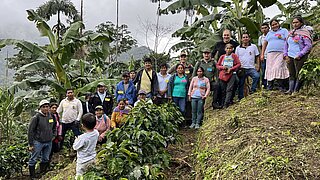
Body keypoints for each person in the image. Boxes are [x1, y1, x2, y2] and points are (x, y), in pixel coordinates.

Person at [284, 16, 312, 94]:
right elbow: (286, 44)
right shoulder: (291, 33)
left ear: (301, 23)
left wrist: (300, 54)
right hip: (290, 56)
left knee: (299, 73)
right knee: (291, 73)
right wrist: (285, 54)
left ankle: (296, 90)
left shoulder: (304, 33)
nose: (295, 24)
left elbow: (308, 46)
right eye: (293, 23)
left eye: (297, 22)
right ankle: (290, 90)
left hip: (300, 56)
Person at [28, 100, 56, 179]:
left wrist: (53, 135)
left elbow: (54, 127)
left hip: (49, 141)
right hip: (38, 142)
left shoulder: (51, 116)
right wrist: (31, 144)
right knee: (33, 159)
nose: (46, 108)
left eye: (47, 106)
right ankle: (32, 176)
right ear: (40, 108)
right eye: (43, 107)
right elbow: (30, 131)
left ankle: (42, 173)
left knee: (45, 158)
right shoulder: (36, 117)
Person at [261, 19, 289, 91]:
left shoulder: (284, 31)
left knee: (278, 67)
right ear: (271, 26)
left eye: (276, 24)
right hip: (270, 53)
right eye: (272, 25)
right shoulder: (269, 33)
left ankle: (281, 86)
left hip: (281, 52)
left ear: (278, 24)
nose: (274, 26)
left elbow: (288, 39)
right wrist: (262, 54)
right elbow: (265, 43)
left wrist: (281, 37)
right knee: (270, 68)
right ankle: (270, 86)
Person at [73, 113, 99, 177]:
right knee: (91, 175)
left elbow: (75, 147)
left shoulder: (82, 138)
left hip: (83, 161)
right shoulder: (96, 133)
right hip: (92, 158)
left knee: (79, 176)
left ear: (83, 125)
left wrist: (76, 139)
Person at [235, 33, 260, 100]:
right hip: (242, 68)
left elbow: (257, 56)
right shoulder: (238, 48)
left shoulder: (253, 46)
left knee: (257, 76)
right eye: (244, 37)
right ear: (241, 39)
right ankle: (241, 97)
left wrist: (258, 65)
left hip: (251, 67)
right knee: (241, 83)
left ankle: (253, 90)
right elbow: (236, 58)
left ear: (249, 38)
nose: (245, 38)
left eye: (246, 37)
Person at [258, 23, 270, 89]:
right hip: (264, 57)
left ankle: (271, 85)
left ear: (268, 28)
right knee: (264, 71)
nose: (264, 29)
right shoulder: (260, 38)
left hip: (272, 57)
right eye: (262, 28)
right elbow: (260, 47)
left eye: (265, 28)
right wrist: (261, 55)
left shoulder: (272, 35)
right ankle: (264, 85)